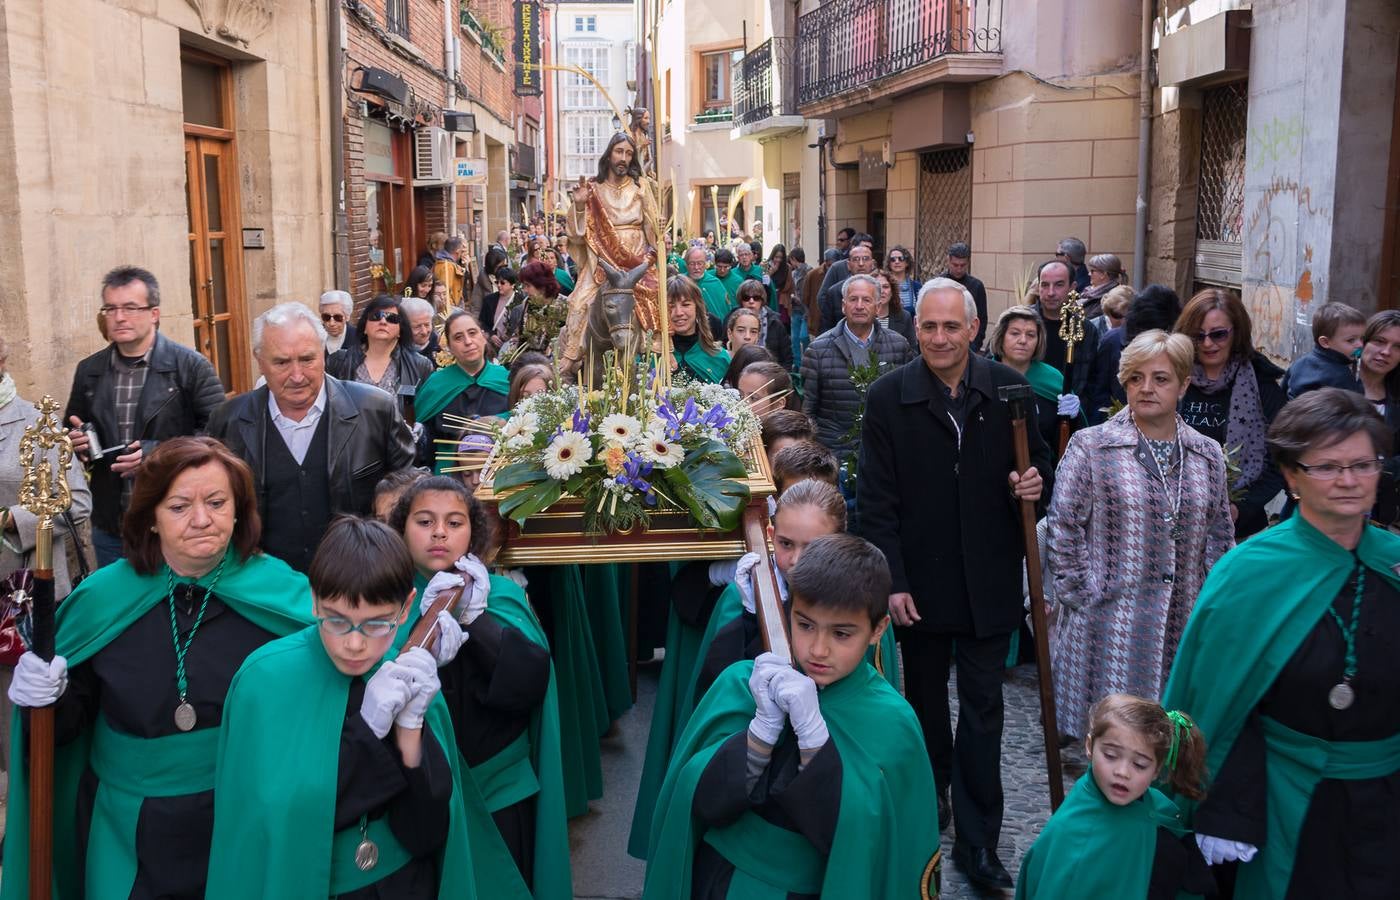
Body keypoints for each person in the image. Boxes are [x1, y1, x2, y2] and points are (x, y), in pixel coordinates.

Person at [1, 437, 312, 898]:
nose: (202, 519)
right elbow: (63, 734)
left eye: (217, 502)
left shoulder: (284, 596)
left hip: (244, 818)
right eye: (180, 506)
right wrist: (46, 701)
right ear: (150, 518)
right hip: (126, 831)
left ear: (239, 510)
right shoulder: (101, 601)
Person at [1162, 388, 1400, 899]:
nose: (1349, 481)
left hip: (1387, 800)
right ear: (1292, 477)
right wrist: (1224, 805)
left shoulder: (1395, 564)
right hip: (1279, 799)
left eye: (1363, 464)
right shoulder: (1249, 573)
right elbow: (1211, 706)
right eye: (1328, 467)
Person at [857, 278, 1050, 890]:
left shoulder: (1010, 390)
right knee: (926, 710)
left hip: (989, 578)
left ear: (973, 329)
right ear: (916, 329)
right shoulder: (891, 397)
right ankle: (931, 796)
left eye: (951, 327)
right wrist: (892, 580)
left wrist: (1032, 488)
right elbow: (877, 501)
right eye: (929, 327)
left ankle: (978, 841)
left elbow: (1036, 468)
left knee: (985, 713)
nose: (940, 338)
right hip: (922, 584)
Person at [641, 534, 940, 900]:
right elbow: (695, 800)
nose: (818, 649)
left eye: (842, 633)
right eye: (805, 625)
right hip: (721, 880)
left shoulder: (892, 722)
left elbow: (877, 843)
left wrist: (815, 745)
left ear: (877, 630)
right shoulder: (743, 682)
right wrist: (759, 737)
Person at [205, 516, 488, 900]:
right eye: (337, 621)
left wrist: (410, 727)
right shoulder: (264, 680)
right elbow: (276, 818)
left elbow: (428, 831)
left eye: (376, 624)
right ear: (314, 600)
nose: (354, 645)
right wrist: (368, 730)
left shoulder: (405, 672)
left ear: (405, 609)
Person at [1047, 330, 1235, 737]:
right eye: (1136, 378)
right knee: (1112, 743)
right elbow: (1063, 526)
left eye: (1161, 378)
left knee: (1168, 744)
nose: (1146, 388)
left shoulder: (1206, 454)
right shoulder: (1092, 447)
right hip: (1109, 626)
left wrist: (1212, 608)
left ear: (1184, 384)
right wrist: (1081, 594)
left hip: (1181, 624)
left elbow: (1220, 538)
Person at [392, 476, 571, 897]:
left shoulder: (501, 595)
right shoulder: (384, 596)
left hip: (497, 790)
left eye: (454, 523)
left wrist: (476, 619)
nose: (439, 533)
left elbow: (530, 683)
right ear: (401, 530)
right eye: (424, 521)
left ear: (473, 532)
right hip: (421, 792)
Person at [205, 303, 416, 572]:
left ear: (324, 354)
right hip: (266, 588)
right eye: (281, 362)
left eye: (307, 359)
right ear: (259, 361)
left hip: (358, 580)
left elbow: (409, 493)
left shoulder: (375, 409)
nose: (297, 376)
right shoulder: (228, 421)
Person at [64, 265, 225, 566]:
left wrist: (157, 454)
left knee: (176, 608)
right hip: (112, 526)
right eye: (110, 308)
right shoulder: (89, 371)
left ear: (154, 314)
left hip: (176, 521)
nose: (120, 317)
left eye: (130, 307)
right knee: (120, 610)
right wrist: (76, 445)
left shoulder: (190, 367)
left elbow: (220, 435)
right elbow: (71, 430)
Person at [1014, 694, 1213, 899]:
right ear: (1090, 746)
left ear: (1156, 770)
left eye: (1139, 764)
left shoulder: (1161, 809)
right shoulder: (1078, 839)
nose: (1122, 772)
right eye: (1110, 755)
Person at [0, 336, 92, 777]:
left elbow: (77, 503)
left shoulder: (37, 423)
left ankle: (24, 820)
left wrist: (9, 519)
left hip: (26, 596)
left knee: (21, 723)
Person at [1170, 289, 1288, 539]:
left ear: (1237, 332)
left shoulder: (1262, 384)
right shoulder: (1170, 376)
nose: (1208, 344)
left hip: (1240, 529)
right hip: (1171, 524)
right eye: (1197, 336)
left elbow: (1279, 460)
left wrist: (1239, 509)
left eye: (1218, 334)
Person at [558, 132, 660, 376]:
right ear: (609, 154)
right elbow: (576, 235)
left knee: (655, 295)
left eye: (628, 153)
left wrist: (658, 235)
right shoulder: (593, 190)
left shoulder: (640, 188)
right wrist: (580, 205)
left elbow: (651, 227)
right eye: (619, 151)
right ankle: (573, 355)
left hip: (635, 260)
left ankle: (656, 348)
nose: (623, 158)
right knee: (580, 300)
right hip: (601, 262)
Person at [801, 273, 913, 462]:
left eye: (866, 300)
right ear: (844, 306)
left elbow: (907, 402)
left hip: (884, 451)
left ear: (878, 307)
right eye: (853, 299)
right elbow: (808, 411)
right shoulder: (818, 349)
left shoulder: (899, 346)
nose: (859, 306)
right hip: (834, 455)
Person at [415, 311, 511, 472]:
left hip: (501, 470)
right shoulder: (435, 385)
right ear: (449, 348)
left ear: (483, 337)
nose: (468, 341)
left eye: (472, 333)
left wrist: (500, 420)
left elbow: (523, 420)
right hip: (449, 474)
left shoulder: (507, 378)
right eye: (458, 337)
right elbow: (424, 436)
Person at [985, 305, 1078, 466]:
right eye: (1015, 333)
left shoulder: (1052, 379)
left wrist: (1072, 418)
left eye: (1031, 335)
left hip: (1039, 472)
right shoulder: (983, 375)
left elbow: (1065, 438)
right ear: (1001, 336)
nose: (1023, 340)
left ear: (1038, 340)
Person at [326, 294, 434, 413]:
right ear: (365, 327)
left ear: (400, 330)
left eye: (391, 318)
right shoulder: (339, 362)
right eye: (376, 316)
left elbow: (428, 414)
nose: (383, 321)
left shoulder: (420, 366)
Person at [1034, 259, 1100, 424]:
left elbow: (1094, 381)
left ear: (1072, 287)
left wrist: (1080, 410)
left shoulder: (1086, 329)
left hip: (1070, 418)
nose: (1050, 292)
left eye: (1058, 285)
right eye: (1044, 285)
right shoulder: (1022, 323)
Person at [1358, 310, 1400, 527]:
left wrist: (1384, 469)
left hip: (1380, 510)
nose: (1386, 352)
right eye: (1379, 341)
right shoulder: (1332, 379)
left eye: (1397, 347)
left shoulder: (1396, 395)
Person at [1281, 301, 1366, 398]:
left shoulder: (1299, 363)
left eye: (1362, 338)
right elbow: (1355, 405)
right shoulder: (1340, 375)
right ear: (1325, 342)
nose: (1360, 344)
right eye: (1351, 340)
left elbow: (1282, 394)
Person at [667, 276, 731, 383]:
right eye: (671, 306)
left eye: (685, 304)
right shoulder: (651, 360)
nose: (678, 313)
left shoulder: (720, 358)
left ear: (697, 307)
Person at [501, 260, 568, 360]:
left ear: (542, 285)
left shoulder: (563, 306)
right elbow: (518, 336)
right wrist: (509, 358)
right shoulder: (528, 303)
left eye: (528, 286)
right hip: (528, 362)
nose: (525, 290)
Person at [817, 241, 876, 336]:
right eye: (856, 259)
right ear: (848, 264)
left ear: (872, 263)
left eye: (865, 259)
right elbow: (826, 327)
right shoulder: (834, 292)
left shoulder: (882, 289)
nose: (861, 263)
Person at [940, 242, 987, 351]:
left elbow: (982, 318)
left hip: (969, 343)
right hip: (943, 340)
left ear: (968, 263)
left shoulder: (977, 286)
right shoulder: (938, 284)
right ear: (948, 261)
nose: (959, 269)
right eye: (955, 265)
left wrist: (975, 344)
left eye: (963, 265)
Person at [737, 279, 792, 370]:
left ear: (762, 300)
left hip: (770, 374)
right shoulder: (732, 318)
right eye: (746, 297)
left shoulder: (775, 322)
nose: (751, 301)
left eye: (756, 297)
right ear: (741, 300)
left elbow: (786, 357)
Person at [684, 245, 731, 322]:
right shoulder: (681, 283)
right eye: (692, 263)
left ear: (705, 264)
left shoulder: (715, 283)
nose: (696, 267)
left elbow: (724, 311)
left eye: (700, 263)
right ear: (686, 264)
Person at [480, 266, 519, 355]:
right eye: (497, 282)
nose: (499, 285)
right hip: (492, 347)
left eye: (502, 283)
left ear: (512, 284)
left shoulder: (520, 300)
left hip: (512, 347)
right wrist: (491, 335)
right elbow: (482, 322)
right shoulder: (489, 300)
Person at [799, 249, 837, 337]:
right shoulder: (812, 275)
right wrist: (811, 314)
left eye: (833, 265)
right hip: (817, 321)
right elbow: (805, 298)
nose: (831, 268)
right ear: (825, 262)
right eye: (829, 265)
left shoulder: (839, 272)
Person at [875, 269, 916, 345]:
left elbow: (913, 351)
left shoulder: (904, 317)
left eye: (885, 287)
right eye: (877, 287)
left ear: (892, 291)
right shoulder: (863, 316)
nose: (882, 291)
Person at [1079, 253, 1125, 320]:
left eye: (1092, 271)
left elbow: (1089, 321)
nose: (1089, 274)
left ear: (1103, 275)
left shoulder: (1110, 298)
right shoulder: (1088, 292)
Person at [885, 245, 922, 318]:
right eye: (893, 259)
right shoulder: (884, 286)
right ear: (889, 264)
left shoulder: (916, 287)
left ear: (907, 263)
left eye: (901, 258)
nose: (897, 262)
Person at [402, 296, 441, 365]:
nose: (424, 332)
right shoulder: (396, 352)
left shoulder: (440, 346)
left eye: (427, 325)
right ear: (404, 326)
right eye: (417, 327)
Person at [320, 289, 359, 356]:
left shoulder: (359, 339)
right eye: (326, 317)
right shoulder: (316, 337)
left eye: (337, 317)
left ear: (347, 316)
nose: (331, 323)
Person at [434, 236, 469, 307]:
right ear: (458, 251)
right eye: (462, 251)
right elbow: (445, 293)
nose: (465, 254)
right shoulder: (447, 266)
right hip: (450, 311)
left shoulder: (442, 263)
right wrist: (452, 311)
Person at [764, 244, 793, 321]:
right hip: (768, 300)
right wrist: (771, 273)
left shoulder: (787, 267)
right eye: (776, 257)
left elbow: (789, 285)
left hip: (781, 301)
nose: (778, 260)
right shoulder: (766, 266)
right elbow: (763, 284)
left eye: (781, 258)